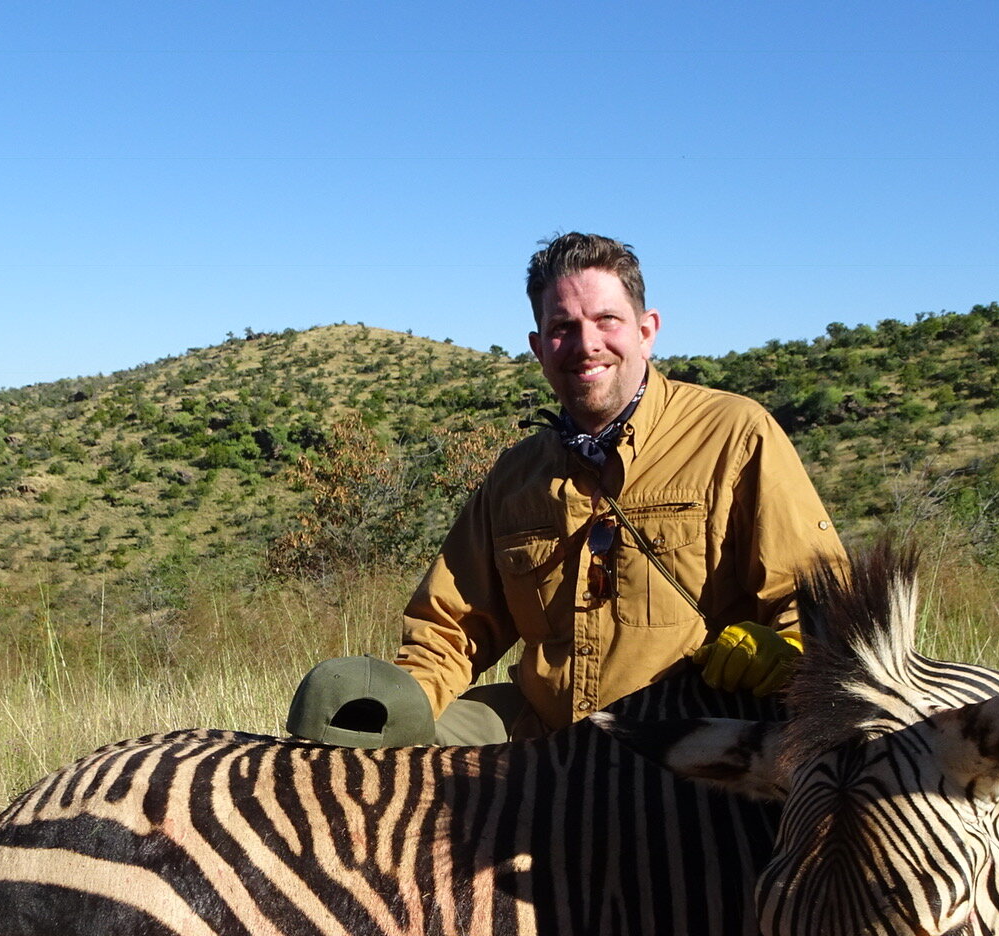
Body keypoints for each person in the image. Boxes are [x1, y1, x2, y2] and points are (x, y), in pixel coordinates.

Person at [286, 232, 848, 748]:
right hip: (544, 732)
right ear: (538, 346)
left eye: (607, 320)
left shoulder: (735, 432)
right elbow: (450, 626)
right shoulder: (516, 475)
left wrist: (790, 657)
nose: (586, 345)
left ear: (647, 330)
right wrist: (394, 705)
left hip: (686, 730)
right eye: (563, 328)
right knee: (373, 750)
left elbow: (817, 599)